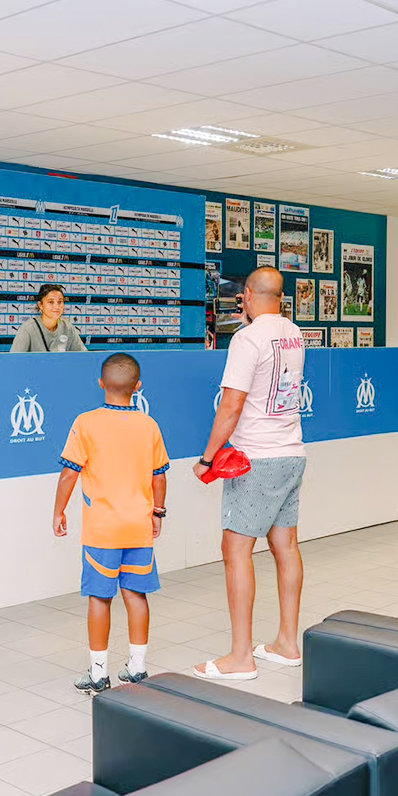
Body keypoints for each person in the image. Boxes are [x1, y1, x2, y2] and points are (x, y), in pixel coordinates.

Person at [191, 267, 306, 681]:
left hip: (256, 458)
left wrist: (207, 458)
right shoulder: (294, 333)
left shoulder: (248, 338)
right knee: (285, 545)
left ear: (250, 296)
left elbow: (232, 405)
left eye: (242, 297)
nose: (240, 302)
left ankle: (241, 656)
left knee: (235, 550)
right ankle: (287, 643)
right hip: (292, 451)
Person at [53, 353, 170, 694]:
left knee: (99, 598)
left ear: (101, 383)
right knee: (136, 594)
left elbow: (69, 474)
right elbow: (159, 476)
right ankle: (137, 667)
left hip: (102, 531)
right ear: (138, 386)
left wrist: (59, 511)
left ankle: (98, 674)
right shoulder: (149, 425)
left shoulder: (86, 423)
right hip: (138, 527)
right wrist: (157, 513)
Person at [10, 283, 86, 352]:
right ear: (40, 305)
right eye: (51, 302)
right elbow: (14, 360)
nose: (56, 306)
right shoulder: (28, 329)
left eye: (60, 302)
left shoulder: (68, 328)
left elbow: (84, 356)